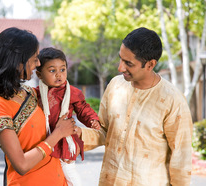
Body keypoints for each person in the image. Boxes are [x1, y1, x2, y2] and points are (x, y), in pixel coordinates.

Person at [77, 27, 193, 186]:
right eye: (120, 59)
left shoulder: (172, 100)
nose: (120, 68)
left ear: (151, 64)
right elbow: (104, 131)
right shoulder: (115, 86)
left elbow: (181, 157)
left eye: (128, 63)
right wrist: (78, 134)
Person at [0, 27, 77, 186]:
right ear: (17, 61)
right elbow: (21, 164)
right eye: (35, 58)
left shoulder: (31, 93)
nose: (38, 64)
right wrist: (58, 134)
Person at [34, 47, 101, 186]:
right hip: (45, 139)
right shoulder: (35, 94)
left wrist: (92, 120)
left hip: (64, 140)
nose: (59, 75)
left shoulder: (71, 92)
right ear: (39, 75)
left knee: (69, 172)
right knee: (50, 176)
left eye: (62, 69)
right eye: (52, 71)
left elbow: (83, 108)